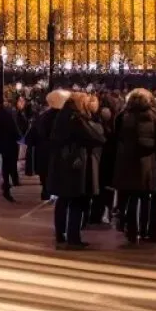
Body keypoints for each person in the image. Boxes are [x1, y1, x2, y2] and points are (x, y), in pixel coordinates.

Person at [47, 91, 104, 249]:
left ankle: (61, 234)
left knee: (63, 199)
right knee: (77, 200)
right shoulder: (76, 118)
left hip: (62, 163)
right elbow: (95, 137)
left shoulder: (62, 115)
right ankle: (73, 237)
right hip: (75, 164)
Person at [113, 88, 156, 244]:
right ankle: (147, 231)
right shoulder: (153, 115)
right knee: (148, 198)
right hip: (148, 161)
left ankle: (131, 230)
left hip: (127, 161)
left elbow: (116, 136)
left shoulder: (123, 116)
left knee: (131, 197)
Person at [0, 95, 21, 200]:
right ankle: (8, 185)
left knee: (5, 166)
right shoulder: (8, 115)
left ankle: (7, 185)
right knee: (10, 165)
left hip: (3, 145)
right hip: (10, 144)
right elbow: (15, 130)